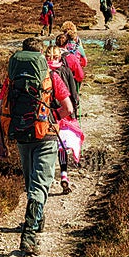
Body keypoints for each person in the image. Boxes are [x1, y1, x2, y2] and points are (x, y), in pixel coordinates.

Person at [0, 38, 74, 256]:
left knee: (31, 181)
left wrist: (0, 142)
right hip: (46, 135)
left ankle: (38, 220)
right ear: (41, 57)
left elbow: (1, 109)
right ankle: (29, 236)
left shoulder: (11, 79)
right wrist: (53, 118)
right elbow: (68, 108)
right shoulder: (52, 77)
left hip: (21, 134)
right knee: (40, 185)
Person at [45, 45, 83, 194]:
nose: (51, 60)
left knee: (50, 144)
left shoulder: (44, 73)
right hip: (64, 113)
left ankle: (46, 178)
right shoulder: (66, 71)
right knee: (62, 146)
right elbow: (74, 94)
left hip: (48, 113)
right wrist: (74, 109)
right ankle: (64, 175)